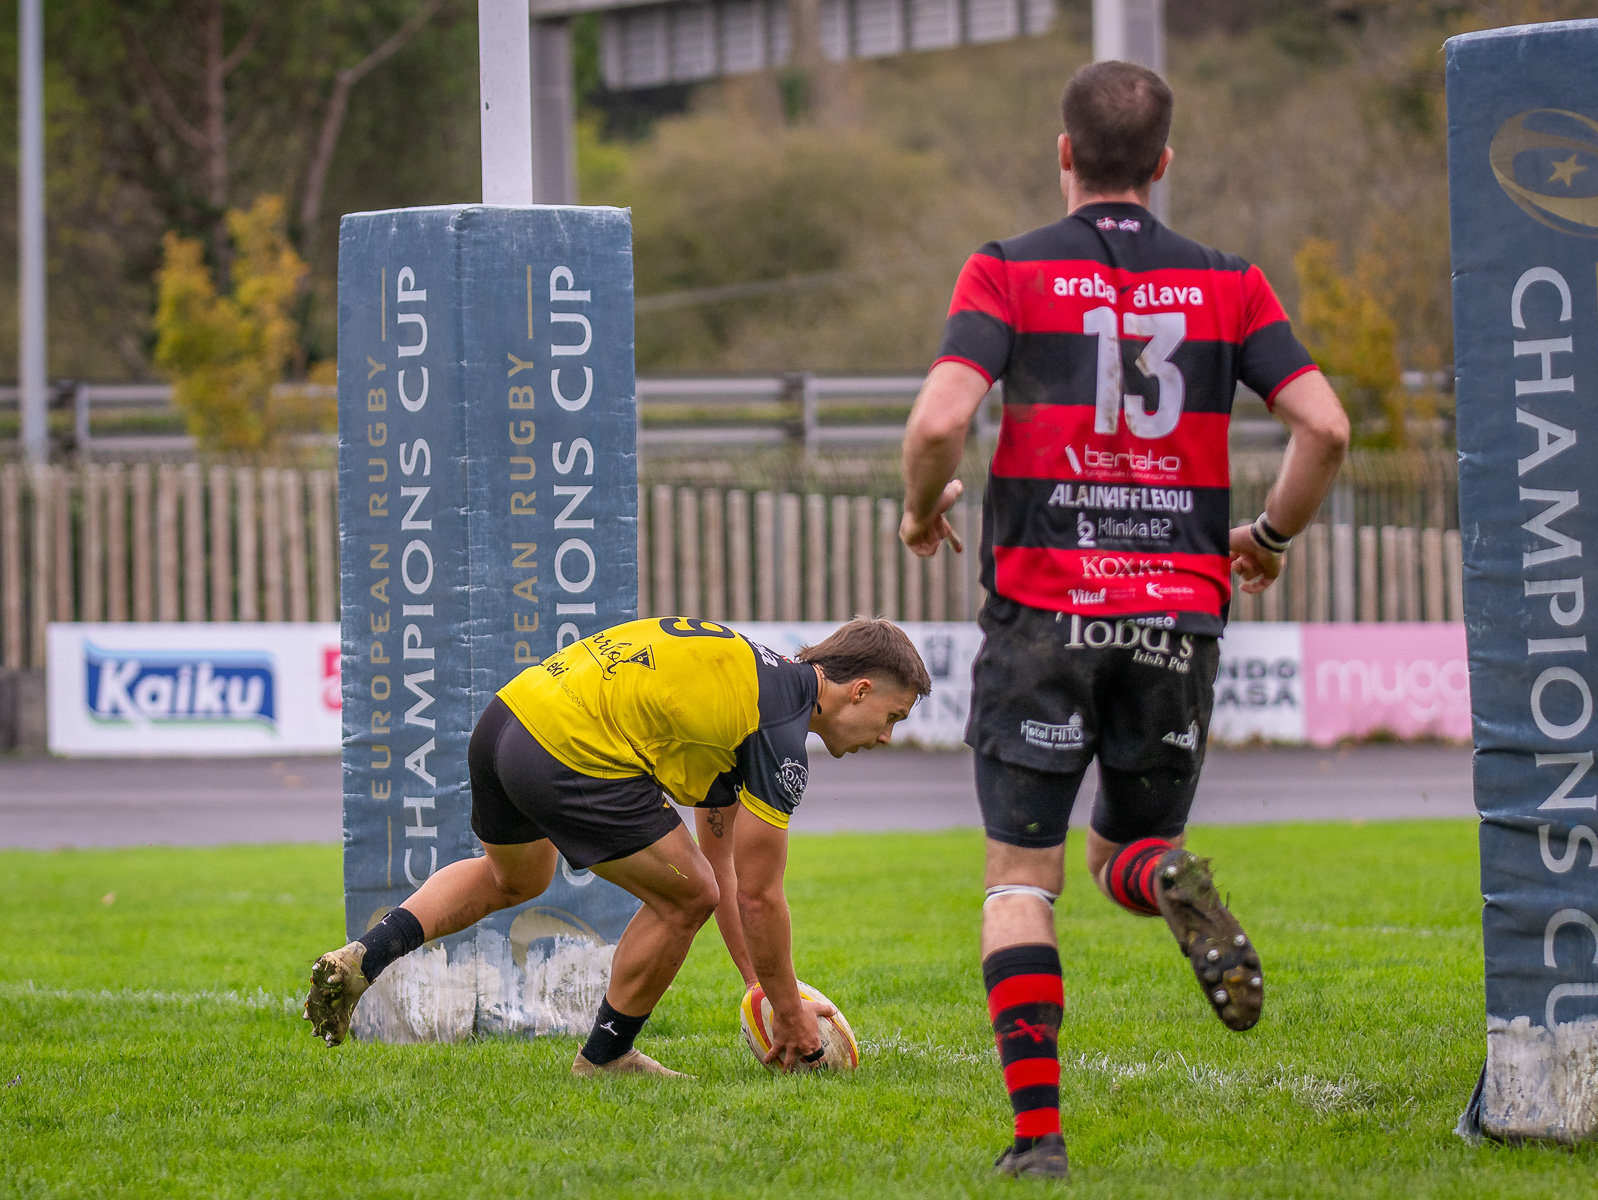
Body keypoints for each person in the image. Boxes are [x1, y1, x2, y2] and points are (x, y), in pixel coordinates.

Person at [899, 61, 1351, 1178]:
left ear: (1065, 154)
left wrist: (923, 509)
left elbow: (940, 418)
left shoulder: (1008, 270)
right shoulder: (1231, 284)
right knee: (1130, 847)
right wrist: (1271, 539)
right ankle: (1163, 881)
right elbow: (1327, 429)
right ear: (1163, 163)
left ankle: (1039, 1141)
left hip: (1044, 611)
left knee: (1021, 878)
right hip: (1174, 616)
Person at [304, 615, 931, 1076]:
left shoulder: (753, 677)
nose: (886, 736)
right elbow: (760, 896)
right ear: (861, 691)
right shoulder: (780, 734)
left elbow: (725, 866)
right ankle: (605, 1058)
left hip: (507, 719)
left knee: (514, 880)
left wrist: (758, 986)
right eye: (893, 718)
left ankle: (364, 958)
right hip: (567, 747)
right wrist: (792, 1013)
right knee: (685, 901)